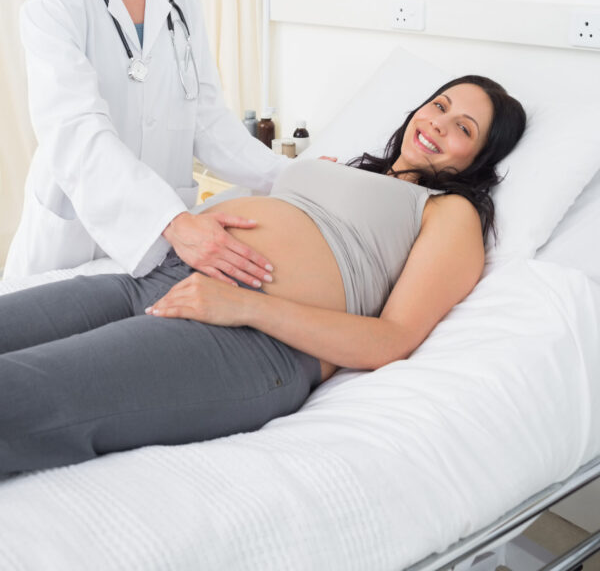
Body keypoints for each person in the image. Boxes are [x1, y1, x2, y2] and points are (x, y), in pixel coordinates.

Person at [0, 76, 526, 475]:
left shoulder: (449, 212)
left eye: (464, 128)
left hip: (248, 341)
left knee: (20, 393)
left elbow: (392, 340)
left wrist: (245, 306)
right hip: (163, 277)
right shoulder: (349, 168)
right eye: (440, 106)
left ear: (481, 157)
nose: (438, 122)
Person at [5, 0, 285, 286]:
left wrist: (292, 176)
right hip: (75, 238)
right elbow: (77, 132)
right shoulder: (55, 2)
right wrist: (170, 220)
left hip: (156, 248)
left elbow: (210, 123)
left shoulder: (183, 4)